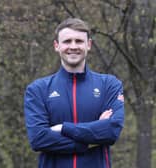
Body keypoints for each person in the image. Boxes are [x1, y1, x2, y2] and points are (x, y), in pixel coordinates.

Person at [24, 18, 124, 168]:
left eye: (79, 41)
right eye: (67, 41)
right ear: (56, 46)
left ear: (88, 45)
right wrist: (91, 139)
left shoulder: (109, 85)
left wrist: (64, 128)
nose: (73, 46)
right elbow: (39, 139)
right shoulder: (38, 89)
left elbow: (112, 130)